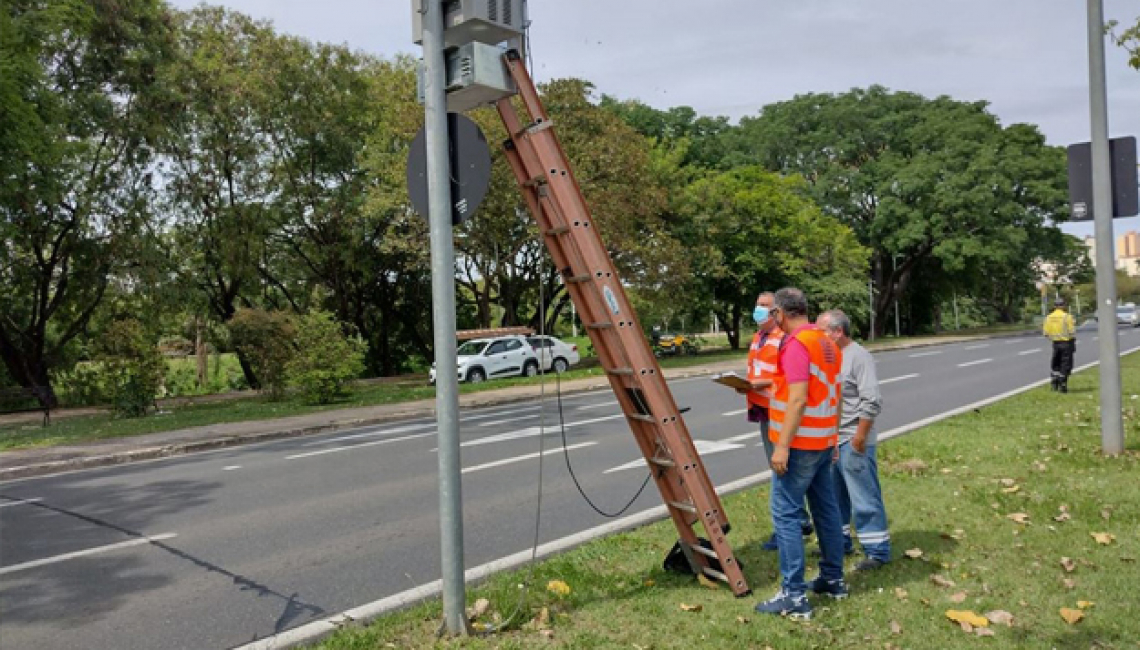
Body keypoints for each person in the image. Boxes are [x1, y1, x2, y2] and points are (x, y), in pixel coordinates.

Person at [754, 288, 847, 620]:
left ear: (780, 313)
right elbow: (833, 393)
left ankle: (793, 596)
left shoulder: (796, 344)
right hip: (822, 441)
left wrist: (781, 446)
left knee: (786, 514)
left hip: (799, 445)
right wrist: (834, 438)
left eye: (772, 313)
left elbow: (797, 398)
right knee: (826, 510)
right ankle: (833, 578)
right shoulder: (826, 343)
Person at [818, 310, 890, 571]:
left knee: (863, 495)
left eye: (822, 330)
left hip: (853, 438)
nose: (818, 336)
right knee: (835, 497)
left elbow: (871, 401)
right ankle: (840, 541)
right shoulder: (830, 356)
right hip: (833, 439)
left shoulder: (858, 357)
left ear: (838, 332)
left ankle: (877, 550)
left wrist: (860, 437)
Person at [742, 291, 812, 551]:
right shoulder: (758, 337)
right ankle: (800, 520)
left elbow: (789, 378)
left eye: (764, 306)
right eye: (757, 304)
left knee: (784, 469)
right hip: (762, 406)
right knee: (779, 467)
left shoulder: (785, 339)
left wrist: (761, 383)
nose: (758, 310)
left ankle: (793, 525)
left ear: (777, 312)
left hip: (780, 409)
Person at [1042, 297, 1076, 393]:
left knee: (1055, 363)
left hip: (1055, 344)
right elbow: (1072, 332)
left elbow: (1045, 333)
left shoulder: (1048, 317)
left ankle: (1054, 382)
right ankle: (1063, 384)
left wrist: (1054, 338)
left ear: (1054, 306)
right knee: (1065, 364)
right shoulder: (1067, 317)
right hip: (1066, 343)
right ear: (1063, 306)